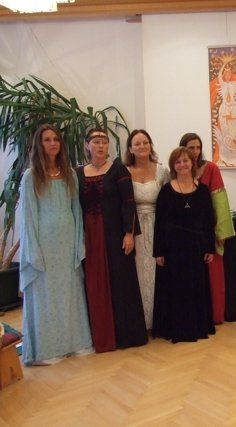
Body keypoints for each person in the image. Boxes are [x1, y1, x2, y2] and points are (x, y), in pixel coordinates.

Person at [19, 124, 93, 365]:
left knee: (70, 294)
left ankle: (74, 343)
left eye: (56, 139)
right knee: (46, 297)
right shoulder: (31, 177)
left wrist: (78, 243)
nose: (52, 143)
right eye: (47, 140)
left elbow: (76, 211)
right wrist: (34, 251)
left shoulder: (70, 174)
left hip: (67, 242)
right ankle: (48, 349)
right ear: (39, 144)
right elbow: (28, 216)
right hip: (45, 245)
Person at [76, 128, 148, 352]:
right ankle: (102, 337)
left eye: (104, 141)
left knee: (121, 282)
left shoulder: (118, 169)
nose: (100, 145)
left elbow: (128, 202)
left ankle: (127, 336)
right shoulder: (78, 173)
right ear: (87, 145)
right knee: (95, 284)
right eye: (96, 141)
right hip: (90, 237)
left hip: (117, 235)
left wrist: (129, 233)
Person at [152, 147, 216, 343]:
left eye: (185, 161)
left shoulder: (202, 191)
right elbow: (159, 223)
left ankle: (197, 327)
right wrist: (159, 251)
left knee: (196, 288)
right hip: (173, 249)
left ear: (192, 163)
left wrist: (210, 248)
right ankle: (176, 329)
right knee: (175, 290)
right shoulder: (166, 191)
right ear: (173, 166)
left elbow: (208, 222)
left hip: (196, 248)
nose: (182, 165)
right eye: (178, 162)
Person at [180, 133, 235, 324]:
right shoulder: (179, 169)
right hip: (185, 232)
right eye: (191, 148)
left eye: (198, 147)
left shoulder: (210, 168)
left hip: (207, 230)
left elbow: (220, 202)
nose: (195, 151)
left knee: (212, 274)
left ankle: (214, 316)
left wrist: (221, 232)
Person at [124, 129, 170, 330]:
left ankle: (157, 320)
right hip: (134, 229)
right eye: (137, 143)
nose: (142, 146)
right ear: (130, 148)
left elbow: (169, 202)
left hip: (157, 226)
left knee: (156, 272)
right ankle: (139, 322)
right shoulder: (124, 172)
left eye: (145, 142)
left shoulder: (162, 171)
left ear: (150, 145)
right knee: (137, 273)